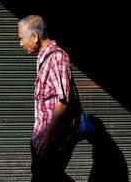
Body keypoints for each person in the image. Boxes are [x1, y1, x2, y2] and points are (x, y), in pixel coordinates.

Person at [18, 14, 79, 182]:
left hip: (52, 143)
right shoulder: (43, 56)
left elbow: (63, 101)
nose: (20, 43)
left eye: (21, 38)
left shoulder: (57, 58)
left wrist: (47, 137)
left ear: (35, 36)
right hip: (42, 139)